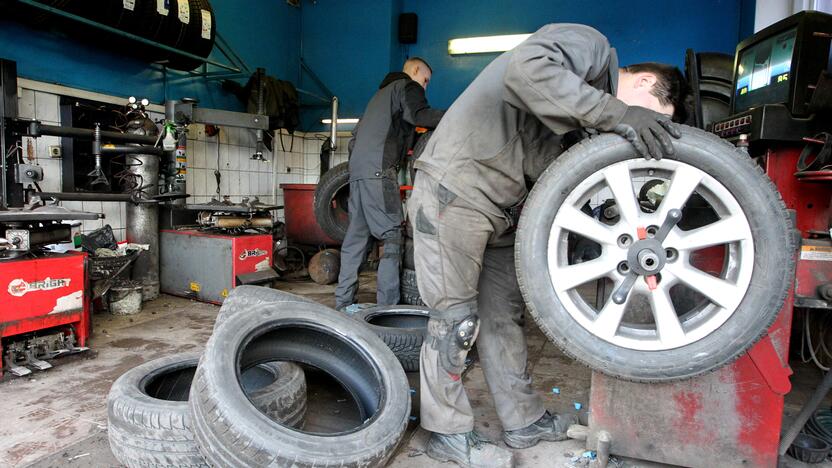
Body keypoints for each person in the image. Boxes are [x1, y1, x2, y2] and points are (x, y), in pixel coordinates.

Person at [408, 24, 689, 467]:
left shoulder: (581, 113)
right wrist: (619, 114)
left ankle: (523, 421)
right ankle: (445, 432)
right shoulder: (590, 47)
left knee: (503, 316)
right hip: (454, 192)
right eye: (652, 116)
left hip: (501, 208)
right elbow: (526, 69)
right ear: (642, 83)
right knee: (455, 321)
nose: (644, 131)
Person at [335, 57, 444, 311]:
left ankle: (343, 304)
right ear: (415, 71)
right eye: (425, 80)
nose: (425, 87)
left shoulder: (377, 99)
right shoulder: (407, 87)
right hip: (378, 174)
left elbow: (354, 140)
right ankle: (388, 309)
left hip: (358, 174)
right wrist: (456, 116)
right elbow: (419, 114)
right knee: (392, 235)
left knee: (355, 240)